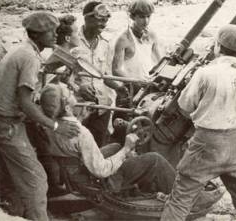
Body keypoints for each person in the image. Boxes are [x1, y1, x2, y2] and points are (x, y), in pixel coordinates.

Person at [161, 24, 236, 221]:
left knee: (181, 198)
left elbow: (185, 105)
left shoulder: (205, 73)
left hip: (206, 143)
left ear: (218, 47)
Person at [0, 11, 80, 221]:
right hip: (6, 124)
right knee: (37, 181)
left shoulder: (24, 50)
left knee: (13, 178)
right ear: (37, 35)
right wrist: (54, 126)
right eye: (51, 32)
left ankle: (14, 213)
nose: (56, 35)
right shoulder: (29, 58)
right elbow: (26, 103)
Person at [39, 82, 176, 195]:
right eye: (69, 93)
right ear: (68, 107)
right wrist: (127, 147)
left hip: (74, 173)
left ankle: (139, 187)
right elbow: (102, 170)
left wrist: (81, 118)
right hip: (95, 182)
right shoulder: (81, 133)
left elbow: (69, 142)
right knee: (155, 159)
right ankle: (181, 201)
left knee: (116, 146)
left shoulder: (50, 124)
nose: (72, 91)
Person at [70, 1, 128, 146]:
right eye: (100, 20)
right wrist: (78, 88)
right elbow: (59, 76)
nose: (103, 24)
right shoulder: (71, 41)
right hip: (77, 106)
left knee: (98, 147)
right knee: (75, 146)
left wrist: (119, 88)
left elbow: (105, 75)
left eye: (106, 21)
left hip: (101, 107)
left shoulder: (106, 44)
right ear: (87, 18)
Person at [112, 0, 161, 80]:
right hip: (133, 86)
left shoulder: (152, 35)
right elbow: (116, 70)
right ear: (132, 17)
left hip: (150, 82)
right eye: (142, 17)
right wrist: (136, 83)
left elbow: (160, 61)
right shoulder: (124, 39)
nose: (146, 21)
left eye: (148, 16)